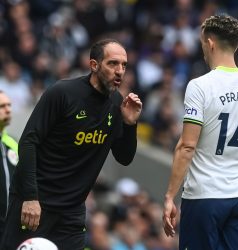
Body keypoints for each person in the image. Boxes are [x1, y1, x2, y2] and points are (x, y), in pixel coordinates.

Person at [0, 38, 142, 250]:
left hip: (72, 214)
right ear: (94, 65)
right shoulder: (63, 93)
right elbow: (29, 141)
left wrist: (130, 124)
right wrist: (30, 197)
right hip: (36, 204)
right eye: (113, 63)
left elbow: (124, 157)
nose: (120, 70)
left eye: (124, 65)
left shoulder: (115, 104)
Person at [162, 15, 238, 250]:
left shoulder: (200, 86)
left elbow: (187, 146)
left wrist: (169, 196)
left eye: (203, 43)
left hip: (205, 197)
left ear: (210, 43)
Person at [0, 91, 18, 236]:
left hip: (10, 225)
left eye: (9, 105)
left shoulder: (13, 143)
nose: (8, 109)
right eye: (2, 106)